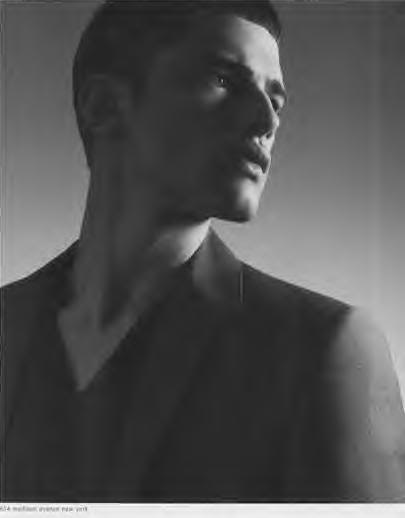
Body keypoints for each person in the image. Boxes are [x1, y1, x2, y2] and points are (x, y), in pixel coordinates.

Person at [1, 0, 404, 503]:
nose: (266, 120)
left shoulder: (327, 349)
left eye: (276, 100)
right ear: (104, 105)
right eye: (224, 80)